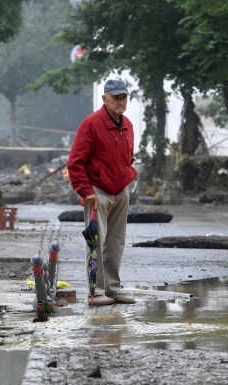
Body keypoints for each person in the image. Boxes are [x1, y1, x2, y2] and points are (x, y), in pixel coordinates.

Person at [67, 78, 139, 306]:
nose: (120, 101)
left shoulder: (127, 124)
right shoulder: (91, 124)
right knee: (96, 242)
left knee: (117, 241)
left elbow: (128, 157)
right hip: (97, 192)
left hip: (120, 191)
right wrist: (85, 190)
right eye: (116, 97)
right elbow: (75, 162)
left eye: (123, 97)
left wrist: (127, 177)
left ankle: (113, 289)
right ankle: (95, 292)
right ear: (104, 98)